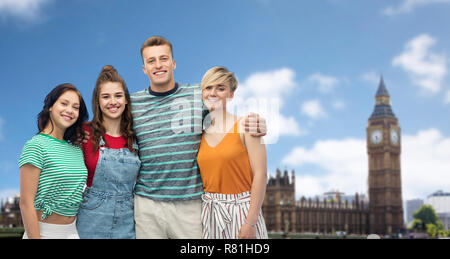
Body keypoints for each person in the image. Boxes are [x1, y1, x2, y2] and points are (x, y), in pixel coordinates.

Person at [131, 36, 267, 239]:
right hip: (148, 205)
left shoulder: (198, 94)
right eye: (151, 61)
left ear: (173, 63)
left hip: (190, 205)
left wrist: (258, 121)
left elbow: (223, 107)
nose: (158, 65)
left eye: (164, 58)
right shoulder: (133, 103)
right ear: (144, 68)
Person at [197, 66, 268, 239]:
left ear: (231, 95)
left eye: (220, 88)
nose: (213, 93)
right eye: (208, 88)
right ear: (202, 92)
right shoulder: (198, 133)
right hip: (210, 213)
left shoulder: (247, 126)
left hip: (243, 212)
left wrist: (250, 222)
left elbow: (261, 175)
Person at [76, 65, 140, 239]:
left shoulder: (136, 137)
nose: (113, 102)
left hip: (128, 220)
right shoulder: (83, 132)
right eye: (106, 97)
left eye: (118, 96)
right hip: (90, 220)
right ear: (97, 101)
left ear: (126, 99)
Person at [19, 83, 89, 239]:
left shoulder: (76, 149)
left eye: (75, 107)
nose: (69, 110)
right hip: (43, 233)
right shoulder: (36, 146)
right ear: (50, 106)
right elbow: (25, 203)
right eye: (64, 103)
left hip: (73, 232)